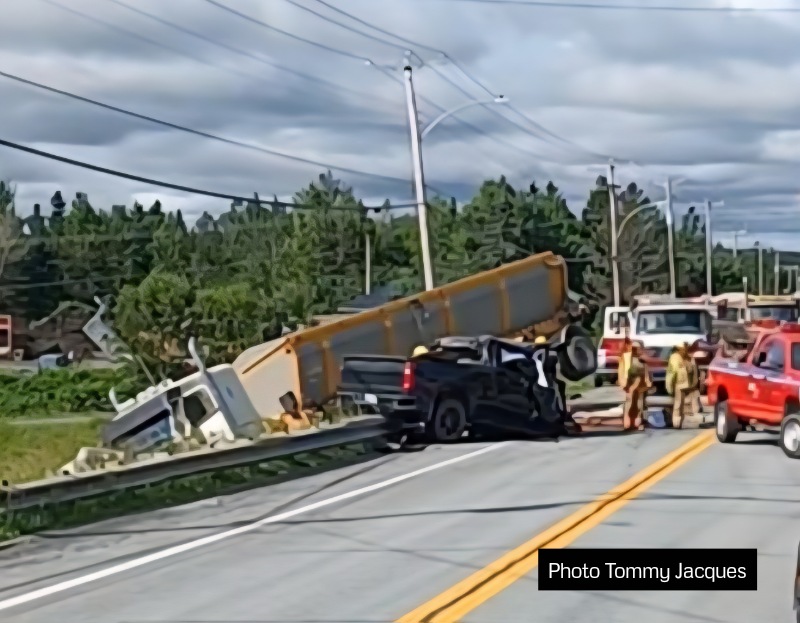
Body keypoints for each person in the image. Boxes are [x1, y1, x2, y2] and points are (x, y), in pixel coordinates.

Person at [665, 343, 698, 429]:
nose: (685, 348)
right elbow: (673, 372)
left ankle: (680, 421)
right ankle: (676, 421)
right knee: (678, 403)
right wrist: (670, 386)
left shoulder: (687, 358)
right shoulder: (675, 357)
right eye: (684, 347)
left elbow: (692, 370)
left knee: (682, 404)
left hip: (685, 384)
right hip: (679, 384)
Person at [621, 341, 651, 431]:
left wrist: (647, 381)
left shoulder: (643, 361)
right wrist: (624, 384)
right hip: (629, 385)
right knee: (629, 404)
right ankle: (628, 423)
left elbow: (646, 373)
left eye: (637, 348)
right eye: (633, 348)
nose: (635, 350)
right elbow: (623, 372)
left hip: (640, 386)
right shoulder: (627, 359)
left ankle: (638, 422)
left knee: (639, 404)